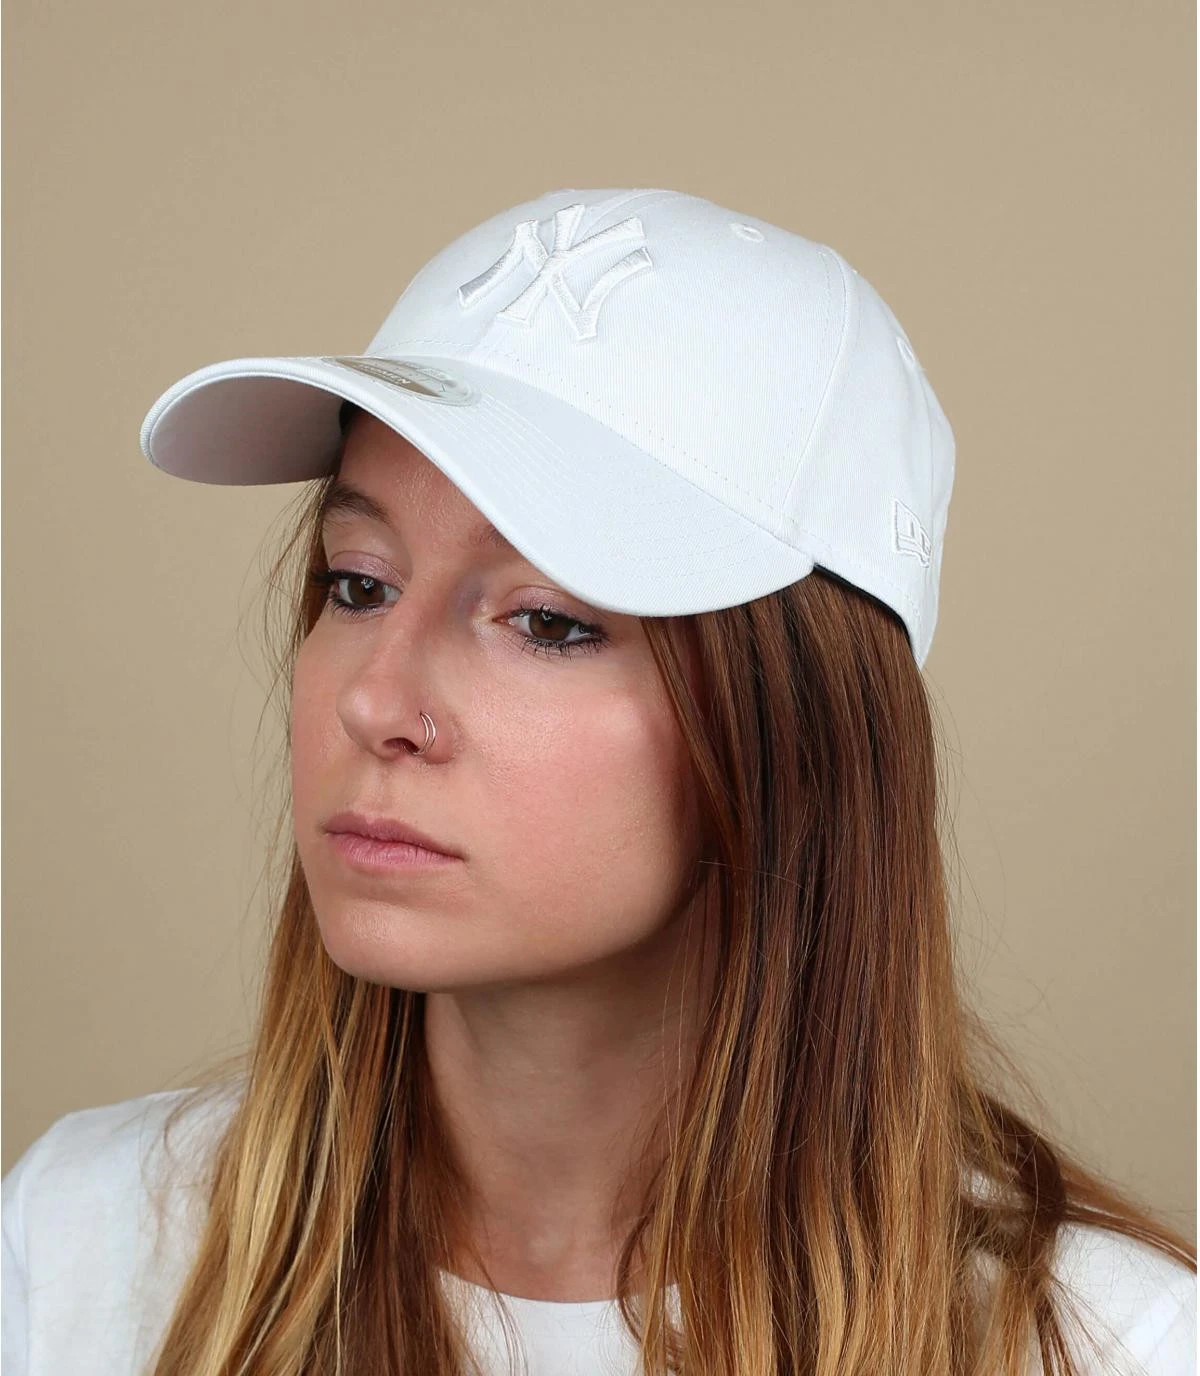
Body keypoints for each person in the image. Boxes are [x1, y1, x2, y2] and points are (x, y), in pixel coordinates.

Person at [2, 187, 1194, 1375]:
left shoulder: (1104, 1343)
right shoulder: (77, 1244)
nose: (374, 702)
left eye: (548, 621)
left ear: (798, 730)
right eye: (359, 583)